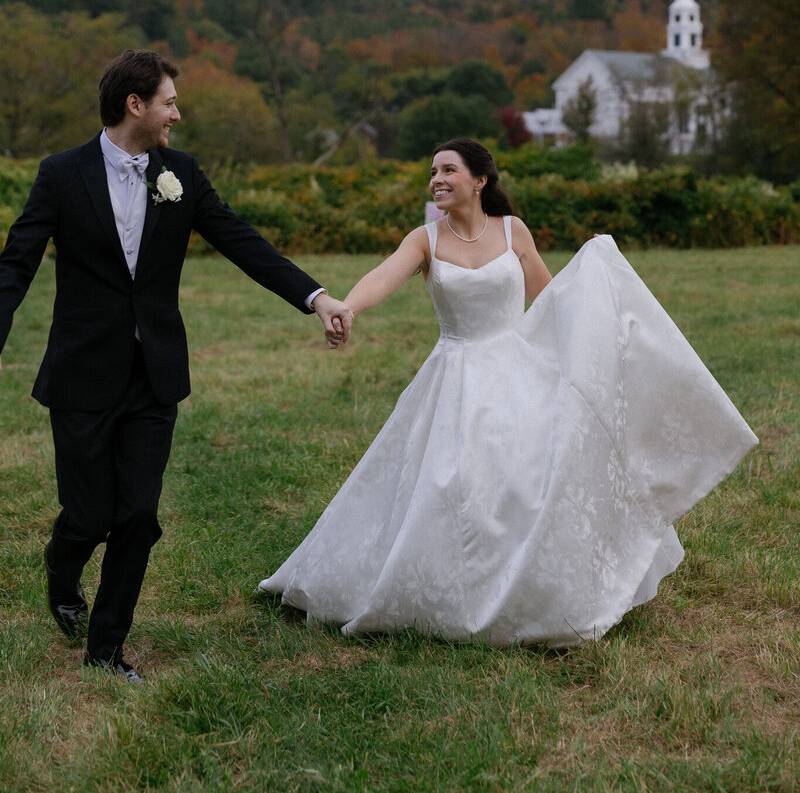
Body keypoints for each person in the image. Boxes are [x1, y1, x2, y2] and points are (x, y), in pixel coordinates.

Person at [260, 138, 757, 647]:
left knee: (527, 479)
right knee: (449, 485)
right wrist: (346, 308)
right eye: (432, 172)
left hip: (518, 367)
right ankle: (452, 591)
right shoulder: (424, 239)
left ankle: (535, 589)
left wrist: (594, 314)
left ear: (479, 180)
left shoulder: (513, 231)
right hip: (454, 376)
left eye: (448, 170)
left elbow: (548, 298)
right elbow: (382, 277)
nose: (436, 179)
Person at [0, 48, 352, 683]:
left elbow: (239, 239)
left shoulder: (181, 172)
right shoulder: (61, 174)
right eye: (168, 102)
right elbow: (17, 261)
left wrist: (315, 296)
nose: (177, 114)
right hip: (81, 374)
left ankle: (106, 649)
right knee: (87, 516)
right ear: (135, 105)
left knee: (137, 514)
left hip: (153, 374)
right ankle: (62, 565)